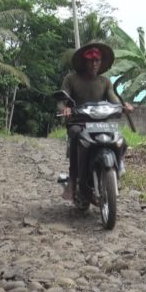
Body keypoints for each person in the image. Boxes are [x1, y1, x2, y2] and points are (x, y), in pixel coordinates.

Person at [58, 42, 134, 201]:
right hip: (79, 122)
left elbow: (113, 100)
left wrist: (123, 107)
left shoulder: (105, 82)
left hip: (101, 123)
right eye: (91, 61)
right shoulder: (71, 79)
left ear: (101, 62)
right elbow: (62, 100)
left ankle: (118, 167)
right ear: (85, 62)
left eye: (97, 60)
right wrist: (64, 109)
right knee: (75, 135)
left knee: (122, 140)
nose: (94, 64)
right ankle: (73, 180)